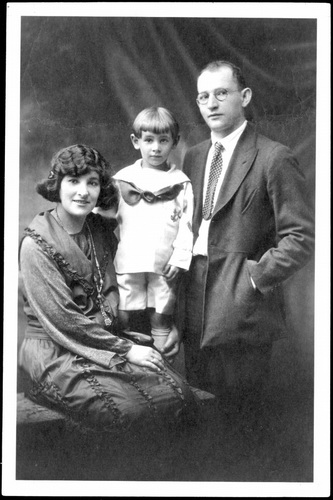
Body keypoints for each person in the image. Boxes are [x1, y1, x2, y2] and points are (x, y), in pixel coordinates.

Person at [18, 143, 206, 437]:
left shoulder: (100, 230)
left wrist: (163, 326)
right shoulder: (36, 245)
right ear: (57, 185)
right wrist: (128, 349)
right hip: (57, 348)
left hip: (104, 340)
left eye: (92, 182)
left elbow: (134, 278)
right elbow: (63, 320)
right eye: (74, 181)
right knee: (126, 412)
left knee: (178, 393)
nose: (83, 191)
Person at [181, 60, 315, 429]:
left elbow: (301, 237)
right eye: (203, 96)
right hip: (194, 301)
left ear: (245, 97)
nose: (211, 104)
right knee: (200, 416)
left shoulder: (274, 157)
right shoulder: (193, 156)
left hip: (242, 308)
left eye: (221, 93)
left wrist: (254, 279)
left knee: (239, 423)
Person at [112, 107, 194, 351]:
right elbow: (103, 217)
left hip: (164, 262)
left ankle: (162, 365)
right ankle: (133, 366)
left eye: (163, 140)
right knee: (126, 313)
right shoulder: (122, 180)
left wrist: (179, 258)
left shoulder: (180, 183)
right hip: (129, 260)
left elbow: (187, 224)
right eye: (148, 140)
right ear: (136, 142)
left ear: (175, 143)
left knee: (162, 314)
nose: (155, 148)